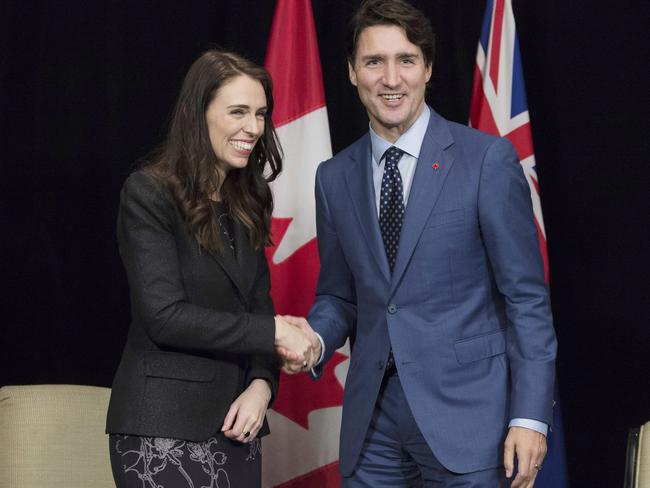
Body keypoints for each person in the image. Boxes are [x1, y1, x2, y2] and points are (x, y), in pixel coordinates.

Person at [282, 1, 557, 486]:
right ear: (351, 72)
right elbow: (339, 296)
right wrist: (317, 339)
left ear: (427, 68)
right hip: (372, 429)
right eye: (374, 62)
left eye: (406, 60)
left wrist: (529, 417)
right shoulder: (333, 177)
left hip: (471, 422)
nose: (391, 78)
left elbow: (527, 299)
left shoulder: (486, 160)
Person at [105, 49, 315, 488]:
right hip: (161, 427)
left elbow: (258, 308)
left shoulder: (248, 201)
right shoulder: (149, 192)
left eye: (260, 113)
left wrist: (261, 385)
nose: (254, 128)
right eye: (238, 112)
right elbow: (163, 317)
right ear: (197, 114)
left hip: (239, 426)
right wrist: (276, 332)